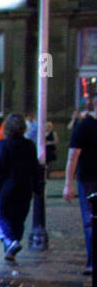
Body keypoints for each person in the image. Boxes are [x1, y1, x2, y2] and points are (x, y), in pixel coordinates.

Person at [0, 113, 43, 262]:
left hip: (6, 190)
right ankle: (11, 249)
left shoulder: (3, 145)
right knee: (18, 221)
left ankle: (10, 243)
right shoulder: (29, 146)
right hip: (25, 189)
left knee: (0, 216)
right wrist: (37, 188)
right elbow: (35, 169)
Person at [63, 97, 97, 276]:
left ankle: (93, 261)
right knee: (91, 220)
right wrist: (68, 183)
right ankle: (92, 260)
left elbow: (73, 155)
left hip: (89, 178)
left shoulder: (83, 127)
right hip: (88, 180)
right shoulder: (84, 127)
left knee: (91, 220)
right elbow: (73, 156)